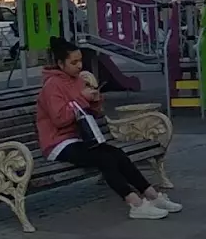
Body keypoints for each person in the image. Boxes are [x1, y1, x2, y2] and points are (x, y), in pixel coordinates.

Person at [36, 35, 182, 221]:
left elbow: (93, 113)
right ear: (60, 64)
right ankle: (135, 203)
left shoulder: (77, 80)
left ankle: (153, 196)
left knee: (117, 154)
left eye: (80, 60)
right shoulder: (52, 86)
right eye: (74, 62)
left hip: (81, 139)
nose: (79, 66)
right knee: (105, 159)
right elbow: (60, 119)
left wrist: (96, 101)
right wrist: (83, 99)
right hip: (58, 144)